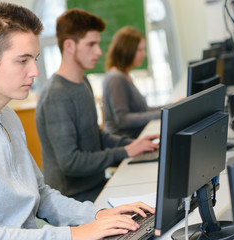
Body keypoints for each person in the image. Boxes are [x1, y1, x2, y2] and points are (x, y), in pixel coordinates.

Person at [0, 3, 155, 239]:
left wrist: (98, 215)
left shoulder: (7, 116)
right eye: (23, 60)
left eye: (34, 59)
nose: (35, 71)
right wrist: (73, 235)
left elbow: (41, 194)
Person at [36, 9, 159, 202]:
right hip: (73, 198)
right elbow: (71, 163)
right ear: (69, 46)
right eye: (91, 44)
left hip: (96, 186)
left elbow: (95, 135)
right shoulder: (56, 94)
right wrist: (124, 152)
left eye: (98, 44)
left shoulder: (83, 82)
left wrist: (134, 145)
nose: (99, 52)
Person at [103, 26, 161, 139]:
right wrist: (161, 114)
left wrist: (170, 107)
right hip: (125, 142)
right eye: (139, 50)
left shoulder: (125, 75)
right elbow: (123, 120)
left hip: (135, 137)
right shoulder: (116, 78)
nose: (143, 54)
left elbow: (144, 110)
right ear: (127, 51)